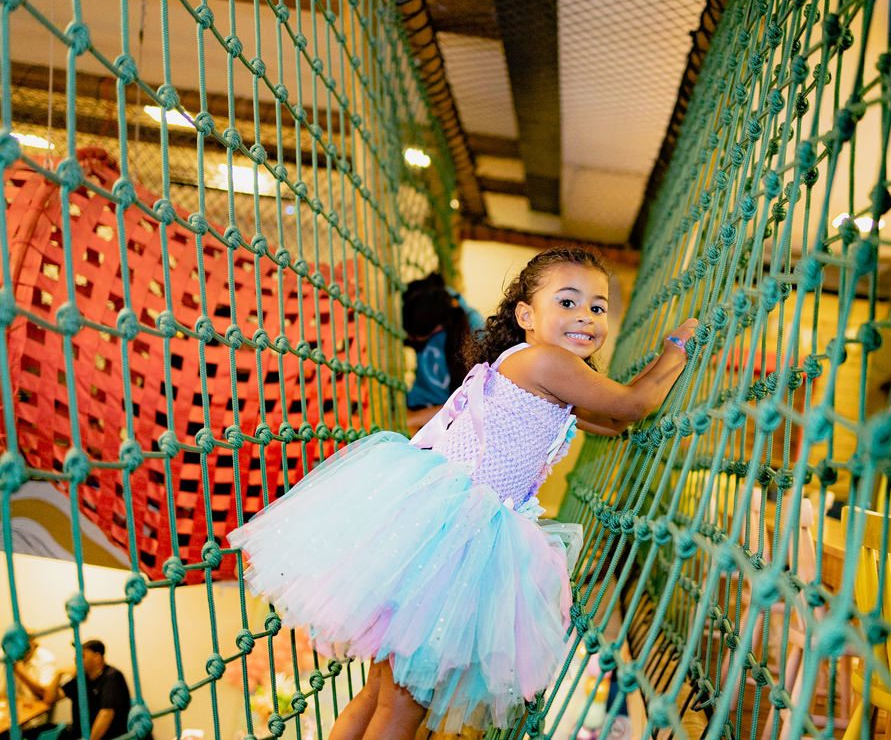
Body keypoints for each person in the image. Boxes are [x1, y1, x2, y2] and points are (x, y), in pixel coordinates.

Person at [228, 247, 696, 739]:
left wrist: (639, 393)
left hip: (433, 529)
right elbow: (632, 404)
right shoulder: (548, 362)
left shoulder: (532, 366)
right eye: (567, 302)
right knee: (404, 706)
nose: (585, 316)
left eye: (598, 308)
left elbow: (613, 420)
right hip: (455, 537)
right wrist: (676, 350)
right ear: (526, 315)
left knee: (382, 694)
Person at [401, 273, 485, 432]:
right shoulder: (431, 295)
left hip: (438, 417)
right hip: (413, 404)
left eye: (414, 335)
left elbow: (466, 403)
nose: (409, 338)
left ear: (438, 326)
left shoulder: (473, 332)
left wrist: (413, 418)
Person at [60, 640, 130, 740]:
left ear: (97, 657)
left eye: (82, 656)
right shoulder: (82, 678)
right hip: (79, 733)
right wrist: (58, 673)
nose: (76, 660)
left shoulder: (112, 676)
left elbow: (106, 714)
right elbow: (50, 699)